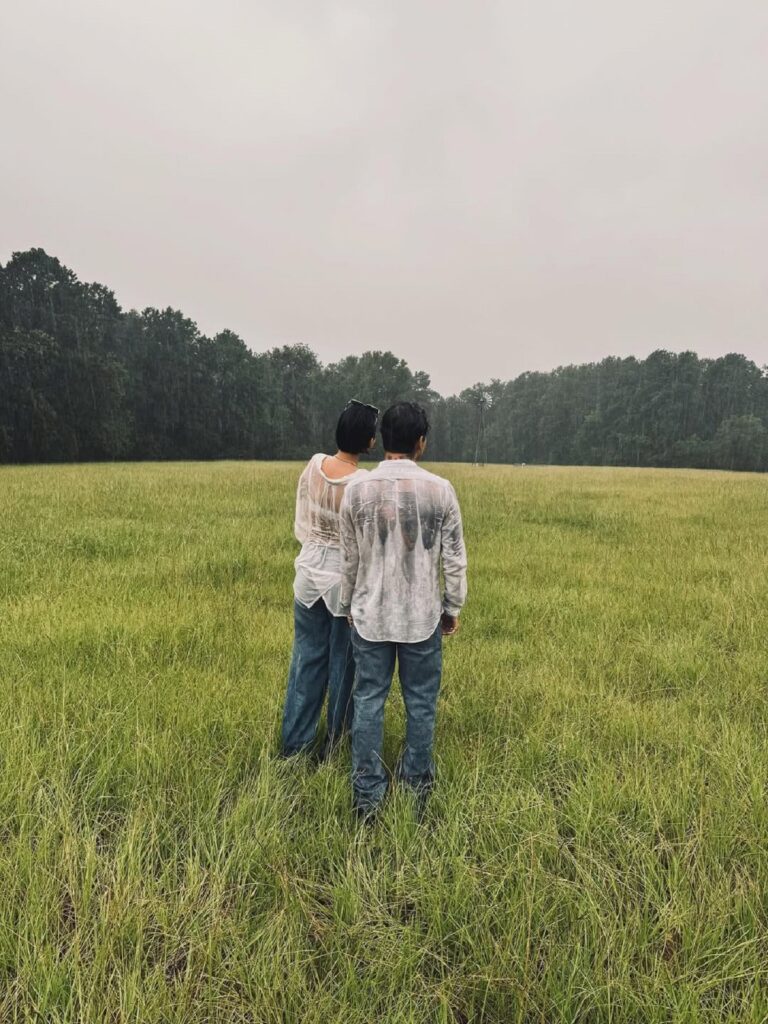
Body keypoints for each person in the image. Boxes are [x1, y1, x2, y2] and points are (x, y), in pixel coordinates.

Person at [339, 401, 467, 820]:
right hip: (421, 616)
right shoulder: (441, 490)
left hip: (370, 616)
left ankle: (368, 796)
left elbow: (349, 559)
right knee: (421, 703)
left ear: (382, 442)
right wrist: (452, 607)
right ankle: (416, 792)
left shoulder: (357, 490)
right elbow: (454, 559)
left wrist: (347, 607)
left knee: (369, 700)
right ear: (420, 443)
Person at [280, 400, 379, 760]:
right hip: (343, 583)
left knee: (306, 660)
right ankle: (336, 745)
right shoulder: (364, 482)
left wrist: (314, 546)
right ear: (369, 441)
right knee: (344, 667)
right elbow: (366, 541)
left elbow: (302, 518)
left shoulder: (314, 464)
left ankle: (295, 744)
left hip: (308, 574)